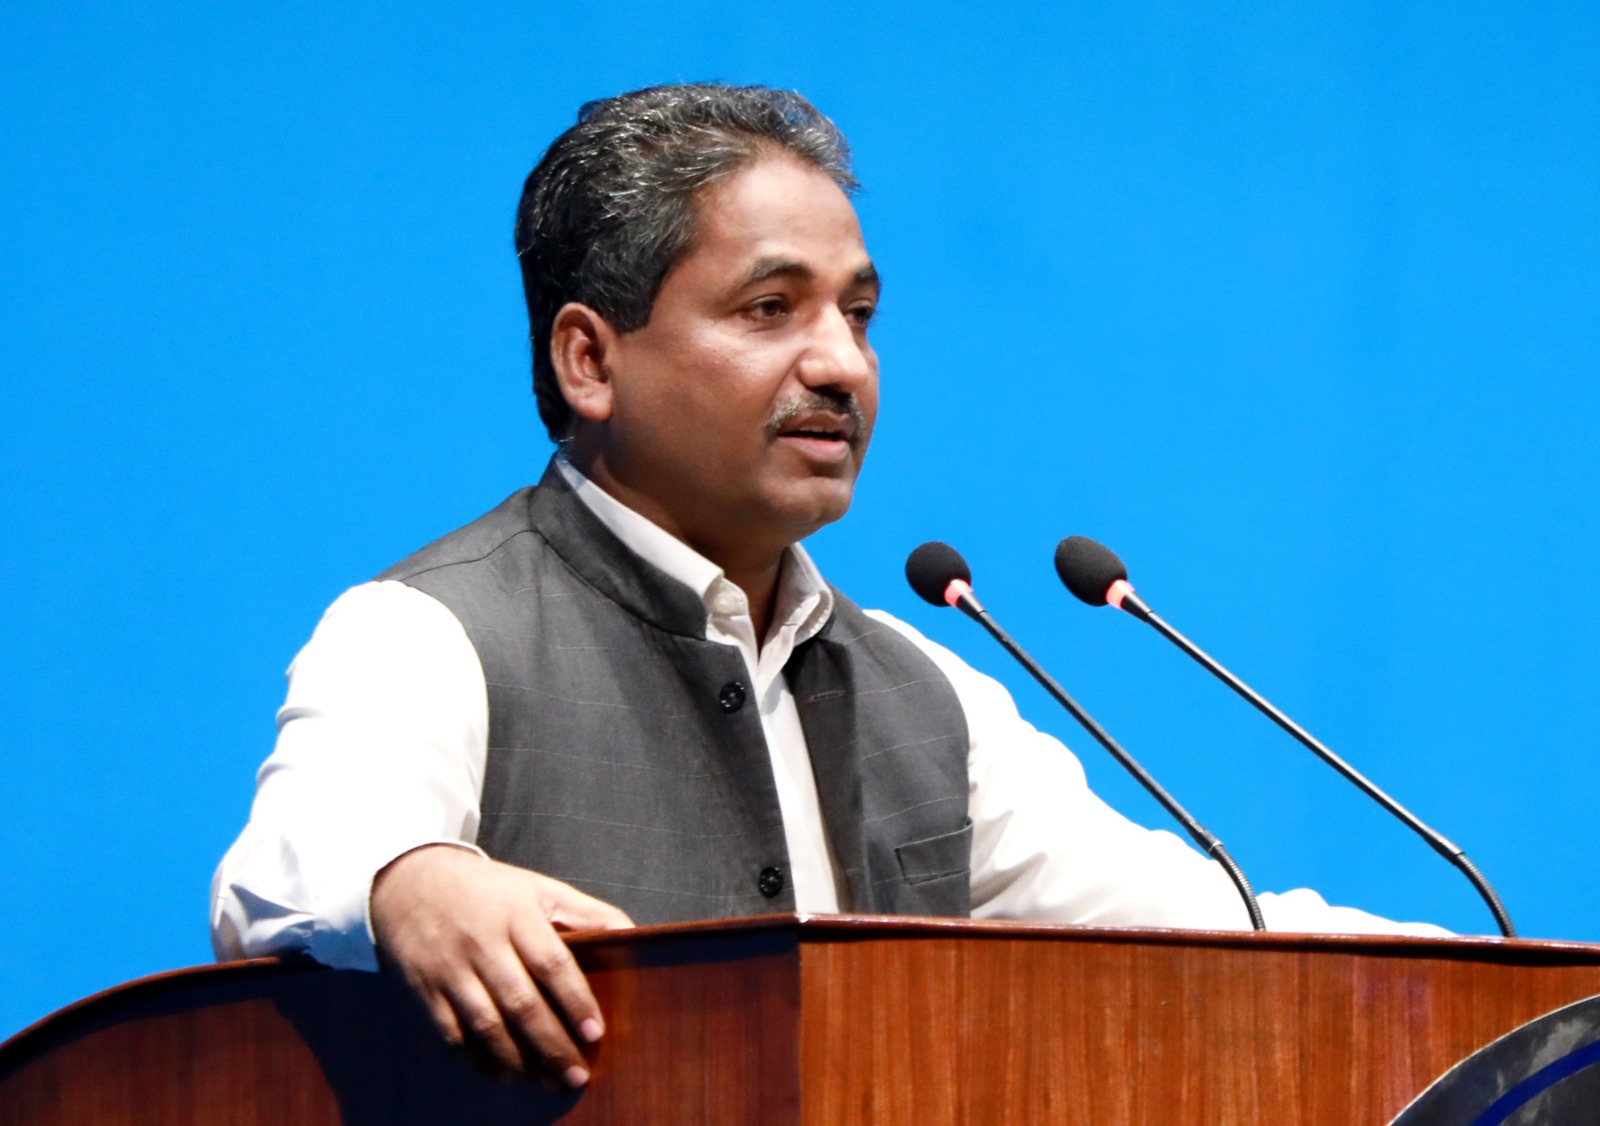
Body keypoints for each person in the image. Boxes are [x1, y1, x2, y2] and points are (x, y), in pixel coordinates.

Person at [211, 83, 1445, 1091]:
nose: (842, 364)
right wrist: (412, 879)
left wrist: (1494, 980)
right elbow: (302, 854)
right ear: (589, 358)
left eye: (858, 314)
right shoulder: (431, 632)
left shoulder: (926, 691)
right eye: (770, 308)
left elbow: (1208, 931)